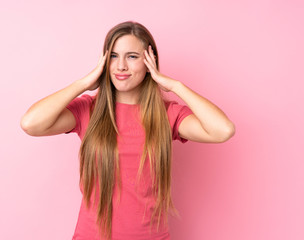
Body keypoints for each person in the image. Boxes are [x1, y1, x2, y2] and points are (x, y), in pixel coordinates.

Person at [20, 21, 235, 240]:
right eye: (113, 56)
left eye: (131, 56)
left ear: (149, 62)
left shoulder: (167, 114)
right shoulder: (89, 109)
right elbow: (31, 123)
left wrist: (174, 86)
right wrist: (83, 83)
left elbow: (223, 130)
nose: (121, 66)